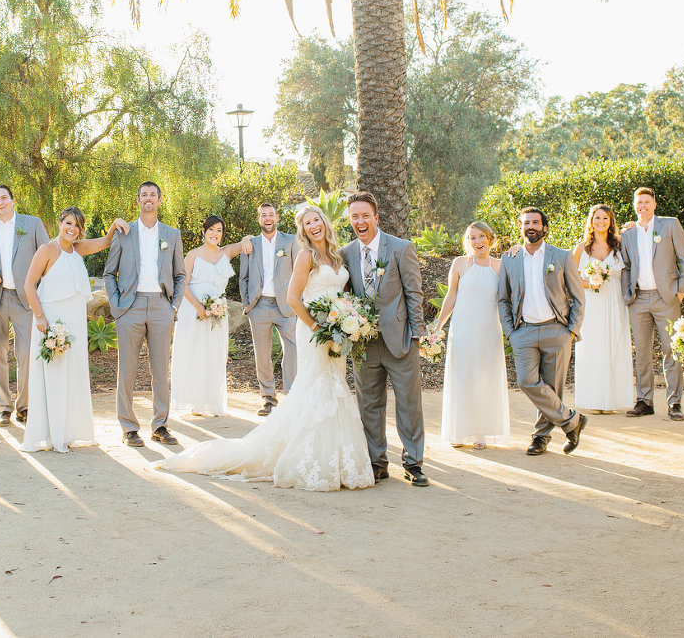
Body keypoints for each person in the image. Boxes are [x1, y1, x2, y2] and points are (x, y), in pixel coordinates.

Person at [156, 205, 374, 491]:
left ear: (324, 221)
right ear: (303, 229)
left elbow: (343, 291)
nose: (313, 226)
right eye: (307, 223)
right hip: (315, 331)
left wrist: (347, 319)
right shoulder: (305, 255)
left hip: (338, 332)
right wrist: (317, 327)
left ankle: (337, 461)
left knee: (334, 386)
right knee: (315, 387)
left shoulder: (336, 254)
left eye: (316, 219)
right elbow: (294, 299)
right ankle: (307, 459)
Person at [19, 209, 128, 452]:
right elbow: (29, 284)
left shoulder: (78, 249)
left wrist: (114, 223)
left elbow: (107, 241)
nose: (72, 229)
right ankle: (52, 435)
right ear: (59, 223)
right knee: (54, 373)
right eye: (68, 223)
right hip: (51, 319)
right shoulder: (47, 250)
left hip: (74, 321)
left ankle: (70, 432)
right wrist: (40, 317)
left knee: (73, 373)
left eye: (77, 225)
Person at [341, 191, 428, 486]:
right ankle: (377, 462)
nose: (360, 221)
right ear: (349, 220)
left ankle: (413, 463)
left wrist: (418, 334)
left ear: (376, 218)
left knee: (409, 404)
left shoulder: (401, 248)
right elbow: (345, 296)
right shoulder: (346, 253)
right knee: (369, 405)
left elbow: (414, 293)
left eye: (365, 215)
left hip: (400, 339)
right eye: (355, 216)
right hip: (363, 343)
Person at [496, 207, 588, 457]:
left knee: (552, 387)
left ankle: (540, 438)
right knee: (527, 381)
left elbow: (578, 298)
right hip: (523, 331)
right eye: (526, 223)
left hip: (556, 330)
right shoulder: (510, 259)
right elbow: (503, 299)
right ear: (520, 227)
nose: (531, 227)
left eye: (536, 222)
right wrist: (510, 333)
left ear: (545, 228)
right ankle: (571, 421)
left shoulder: (561, 256)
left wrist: (571, 331)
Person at [105, 181, 187, 447]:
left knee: (161, 370)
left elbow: (180, 274)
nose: (148, 198)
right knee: (127, 370)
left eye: (153, 195)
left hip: (161, 306)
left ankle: (160, 425)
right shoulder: (124, 232)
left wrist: (173, 306)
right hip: (130, 306)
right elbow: (109, 273)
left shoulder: (172, 234)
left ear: (160, 200)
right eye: (144, 195)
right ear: (137, 201)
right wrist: (117, 306)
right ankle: (129, 427)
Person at [0, 184, 51, 428]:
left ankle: (24, 406)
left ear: (13, 200)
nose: (0, 203)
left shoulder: (32, 223)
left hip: (25, 299)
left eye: (4, 198)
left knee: (26, 354)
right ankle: (4, 407)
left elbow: (49, 257)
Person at [430, 221, 508, 449]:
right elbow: (451, 297)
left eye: (482, 237)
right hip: (463, 330)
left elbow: (504, 302)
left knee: (484, 379)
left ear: (490, 239)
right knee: (462, 378)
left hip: (489, 332)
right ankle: (459, 432)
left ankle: (480, 433)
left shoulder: (500, 266)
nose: (478, 242)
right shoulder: (460, 264)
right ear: (468, 241)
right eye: (473, 237)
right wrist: (438, 327)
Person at [622, 187, 684, 420]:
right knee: (642, 351)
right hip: (638, 299)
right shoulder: (628, 233)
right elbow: (627, 266)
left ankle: (675, 403)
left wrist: (680, 293)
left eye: (646, 201)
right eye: (638, 202)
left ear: (654, 204)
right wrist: (627, 294)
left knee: (672, 350)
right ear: (634, 205)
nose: (642, 205)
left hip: (666, 298)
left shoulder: (670, 225)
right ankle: (644, 401)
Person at [172, 215, 245, 417]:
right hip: (193, 311)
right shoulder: (193, 255)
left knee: (214, 353)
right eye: (211, 229)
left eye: (219, 230)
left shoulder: (226, 252)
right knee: (192, 351)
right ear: (203, 231)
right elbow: (183, 284)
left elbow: (246, 242)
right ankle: (192, 401)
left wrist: (247, 240)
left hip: (217, 313)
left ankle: (211, 402)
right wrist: (198, 307)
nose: (215, 234)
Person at [572, 204, 635, 413]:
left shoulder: (620, 243)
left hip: (614, 300)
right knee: (593, 347)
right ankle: (595, 400)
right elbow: (572, 280)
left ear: (611, 221)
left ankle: (612, 401)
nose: (601, 222)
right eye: (597, 218)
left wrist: (633, 227)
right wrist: (591, 284)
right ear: (591, 221)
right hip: (591, 303)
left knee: (614, 345)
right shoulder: (581, 248)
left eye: (605, 218)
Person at [239, 202, 299, 416]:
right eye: (263, 215)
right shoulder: (250, 244)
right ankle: (268, 399)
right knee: (262, 355)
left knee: (292, 350)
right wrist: (248, 304)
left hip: (286, 306)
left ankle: (292, 397)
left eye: (271, 214)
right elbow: (243, 276)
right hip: (259, 306)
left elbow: (299, 273)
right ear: (259, 219)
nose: (267, 218)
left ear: (277, 218)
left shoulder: (291, 241)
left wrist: (297, 301)